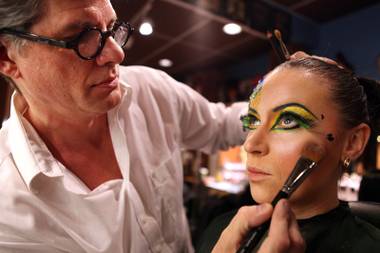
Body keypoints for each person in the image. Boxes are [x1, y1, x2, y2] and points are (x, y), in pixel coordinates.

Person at [0, 0, 306, 252]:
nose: (117, 54)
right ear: (7, 57)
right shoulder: (7, 208)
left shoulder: (150, 90)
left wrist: (287, 96)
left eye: (112, 29)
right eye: (82, 36)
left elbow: (222, 124)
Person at [197, 57, 380, 253]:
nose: (250, 144)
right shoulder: (220, 230)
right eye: (252, 121)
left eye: (287, 121)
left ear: (353, 142)